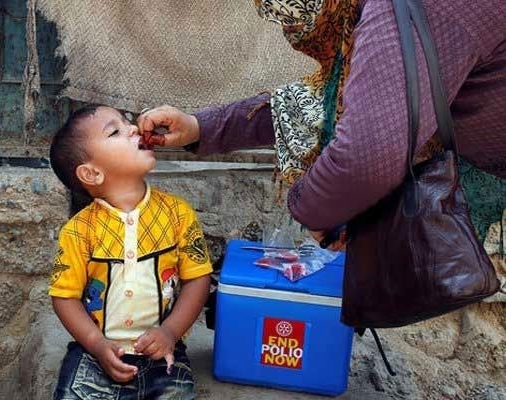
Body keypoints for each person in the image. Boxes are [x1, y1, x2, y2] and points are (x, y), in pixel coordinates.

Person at [137, 0, 506, 249]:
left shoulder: (404, 10)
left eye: (296, 18)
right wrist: (200, 127)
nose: (295, 34)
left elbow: (365, 156)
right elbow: (326, 102)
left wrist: (315, 212)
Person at [48, 105, 213, 399]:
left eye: (127, 122)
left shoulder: (178, 214)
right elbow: (64, 296)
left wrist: (170, 333)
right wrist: (96, 344)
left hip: (163, 353)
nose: (134, 128)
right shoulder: (78, 231)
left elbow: (198, 279)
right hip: (95, 355)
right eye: (115, 131)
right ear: (92, 173)